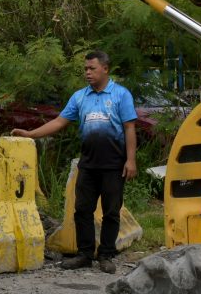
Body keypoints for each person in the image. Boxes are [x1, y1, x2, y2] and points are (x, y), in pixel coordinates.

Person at [11, 51, 137, 274]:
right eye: (86, 69)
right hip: (87, 165)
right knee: (82, 210)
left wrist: (130, 160)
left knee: (111, 211)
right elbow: (59, 122)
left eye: (92, 69)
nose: (87, 73)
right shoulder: (80, 97)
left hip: (113, 165)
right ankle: (85, 254)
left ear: (105, 69)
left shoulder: (121, 95)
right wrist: (30, 134)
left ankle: (106, 255)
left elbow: (129, 128)